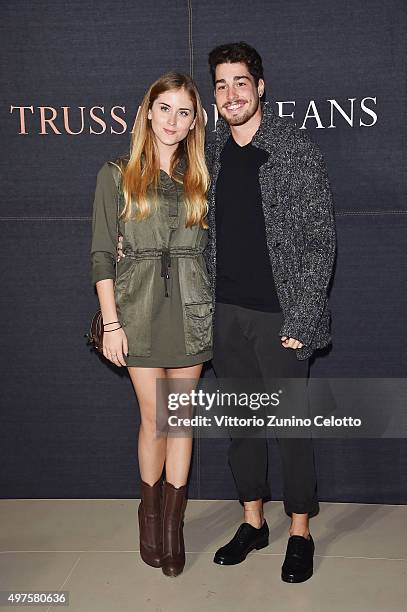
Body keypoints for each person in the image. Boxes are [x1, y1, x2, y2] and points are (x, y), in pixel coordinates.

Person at [203, 41, 336, 583]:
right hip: (226, 313)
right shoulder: (209, 151)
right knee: (242, 426)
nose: (230, 92)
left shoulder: (295, 149)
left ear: (260, 87)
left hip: (280, 318)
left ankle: (300, 531)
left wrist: (302, 319)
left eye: (240, 81)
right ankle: (253, 523)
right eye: (220, 83)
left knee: (291, 429)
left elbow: (319, 240)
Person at [90, 71, 212, 577]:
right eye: (165, 108)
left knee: (179, 419)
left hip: (190, 307)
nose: (173, 120)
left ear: (193, 122)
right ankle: (150, 517)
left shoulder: (202, 175)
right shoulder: (115, 173)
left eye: (184, 112)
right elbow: (101, 254)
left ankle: (172, 528)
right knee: (153, 419)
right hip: (136, 308)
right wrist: (111, 325)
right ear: (147, 111)